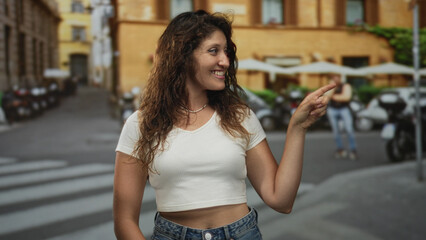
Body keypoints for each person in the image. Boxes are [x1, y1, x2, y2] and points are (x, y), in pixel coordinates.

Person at [113, 10, 335, 240]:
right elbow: (124, 221)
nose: (225, 61)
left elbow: (281, 200)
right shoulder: (141, 124)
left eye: (226, 52)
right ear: (183, 55)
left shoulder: (240, 117)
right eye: (213, 51)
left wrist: (297, 128)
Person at [326, 74, 358, 160]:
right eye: (334, 78)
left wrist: (334, 97)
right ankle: (340, 149)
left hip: (344, 109)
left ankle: (353, 149)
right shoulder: (331, 87)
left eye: (337, 78)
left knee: (349, 129)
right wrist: (332, 88)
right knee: (336, 131)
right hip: (332, 109)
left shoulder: (346, 86)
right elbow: (327, 97)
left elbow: (346, 97)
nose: (336, 79)